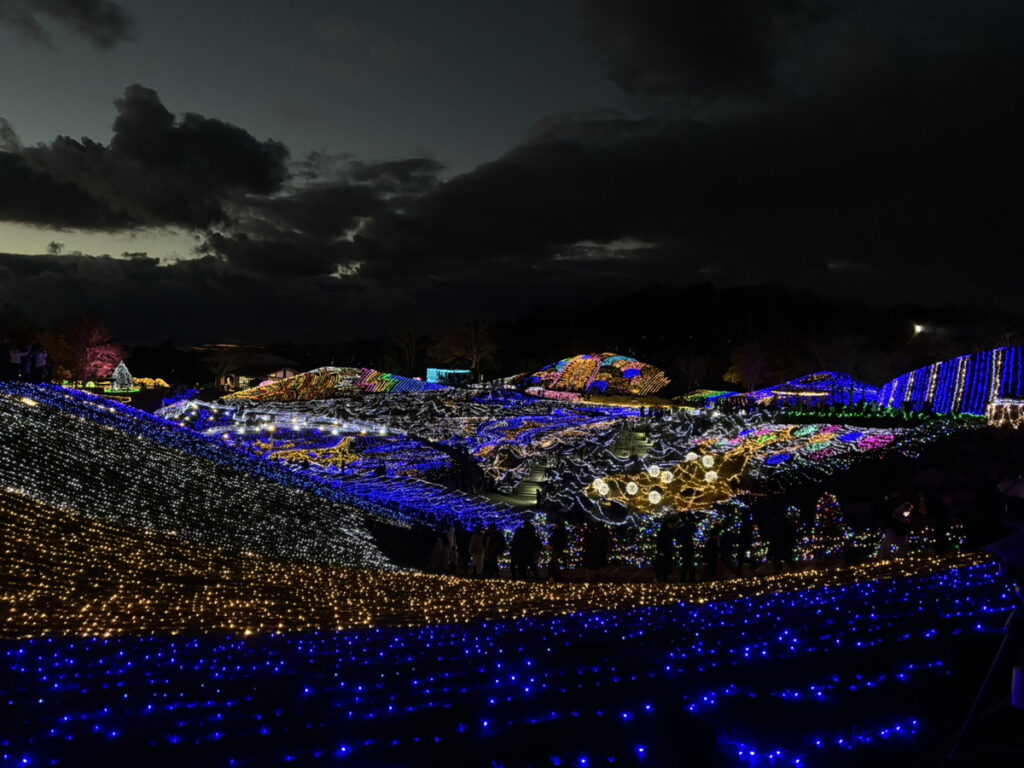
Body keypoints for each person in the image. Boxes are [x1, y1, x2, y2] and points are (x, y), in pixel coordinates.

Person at [655, 517, 677, 582]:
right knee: (662, 566)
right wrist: (660, 551)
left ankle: (664, 579)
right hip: (663, 551)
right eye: (671, 524)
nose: (672, 526)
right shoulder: (663, 532)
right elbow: (659, 542)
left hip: (668, 551)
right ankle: (659, 578)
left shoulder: (670, 532)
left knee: (665, 566)